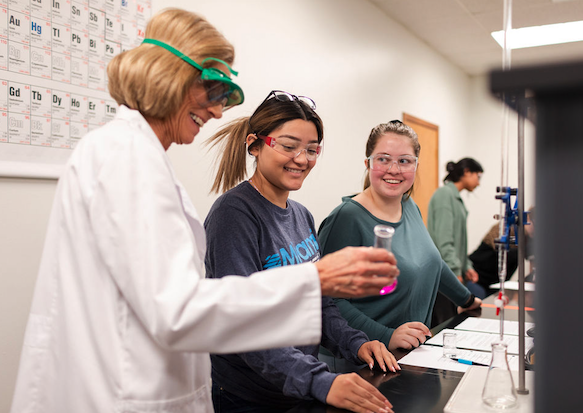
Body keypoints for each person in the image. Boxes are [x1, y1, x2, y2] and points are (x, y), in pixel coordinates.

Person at [9, 10, 399, 413]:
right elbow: (178, 310)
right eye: (212, 93)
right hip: (120, 392)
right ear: (170, 77)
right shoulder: (125, 158)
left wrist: (345, 332)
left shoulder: (138, 156)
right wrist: (316, 278)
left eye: (224, 98)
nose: (217, 112)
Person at [204, 90, 398, 413]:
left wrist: (357, 343)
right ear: (255, 144)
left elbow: (319, 305)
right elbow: (243, 324)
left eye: (311, 149)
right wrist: (321, 381)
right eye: (289, 146)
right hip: (250, 397)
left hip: (296, 390)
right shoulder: (233, 214)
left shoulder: (302, 216)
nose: (302, 159)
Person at [317, 121, 481, 366]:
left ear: (415, 166)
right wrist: (387, 336)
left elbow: (433, 262)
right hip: (361, 362)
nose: (393, 169)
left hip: (408, 355)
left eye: (404, 161)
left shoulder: (410, 206)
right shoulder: (347, 217)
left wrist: (467, 301)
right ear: (368, 164)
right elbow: (326, 301)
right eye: (383, 159)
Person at [427, 157, 483, 326]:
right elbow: (444, 240)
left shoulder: (454, 197)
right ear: (466, 172)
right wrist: (455, 270)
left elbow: (459, 240)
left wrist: (466, 266)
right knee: (446, 324)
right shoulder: (445, 195)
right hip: (444, 273)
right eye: (477, 176)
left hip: (453, 270)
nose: (478, 183)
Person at [469, 207, 535, 298]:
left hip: (494, 286)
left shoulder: (529, 239)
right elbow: (503, 251)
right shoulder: (504, 228)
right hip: (475, 279)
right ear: (526, 218)